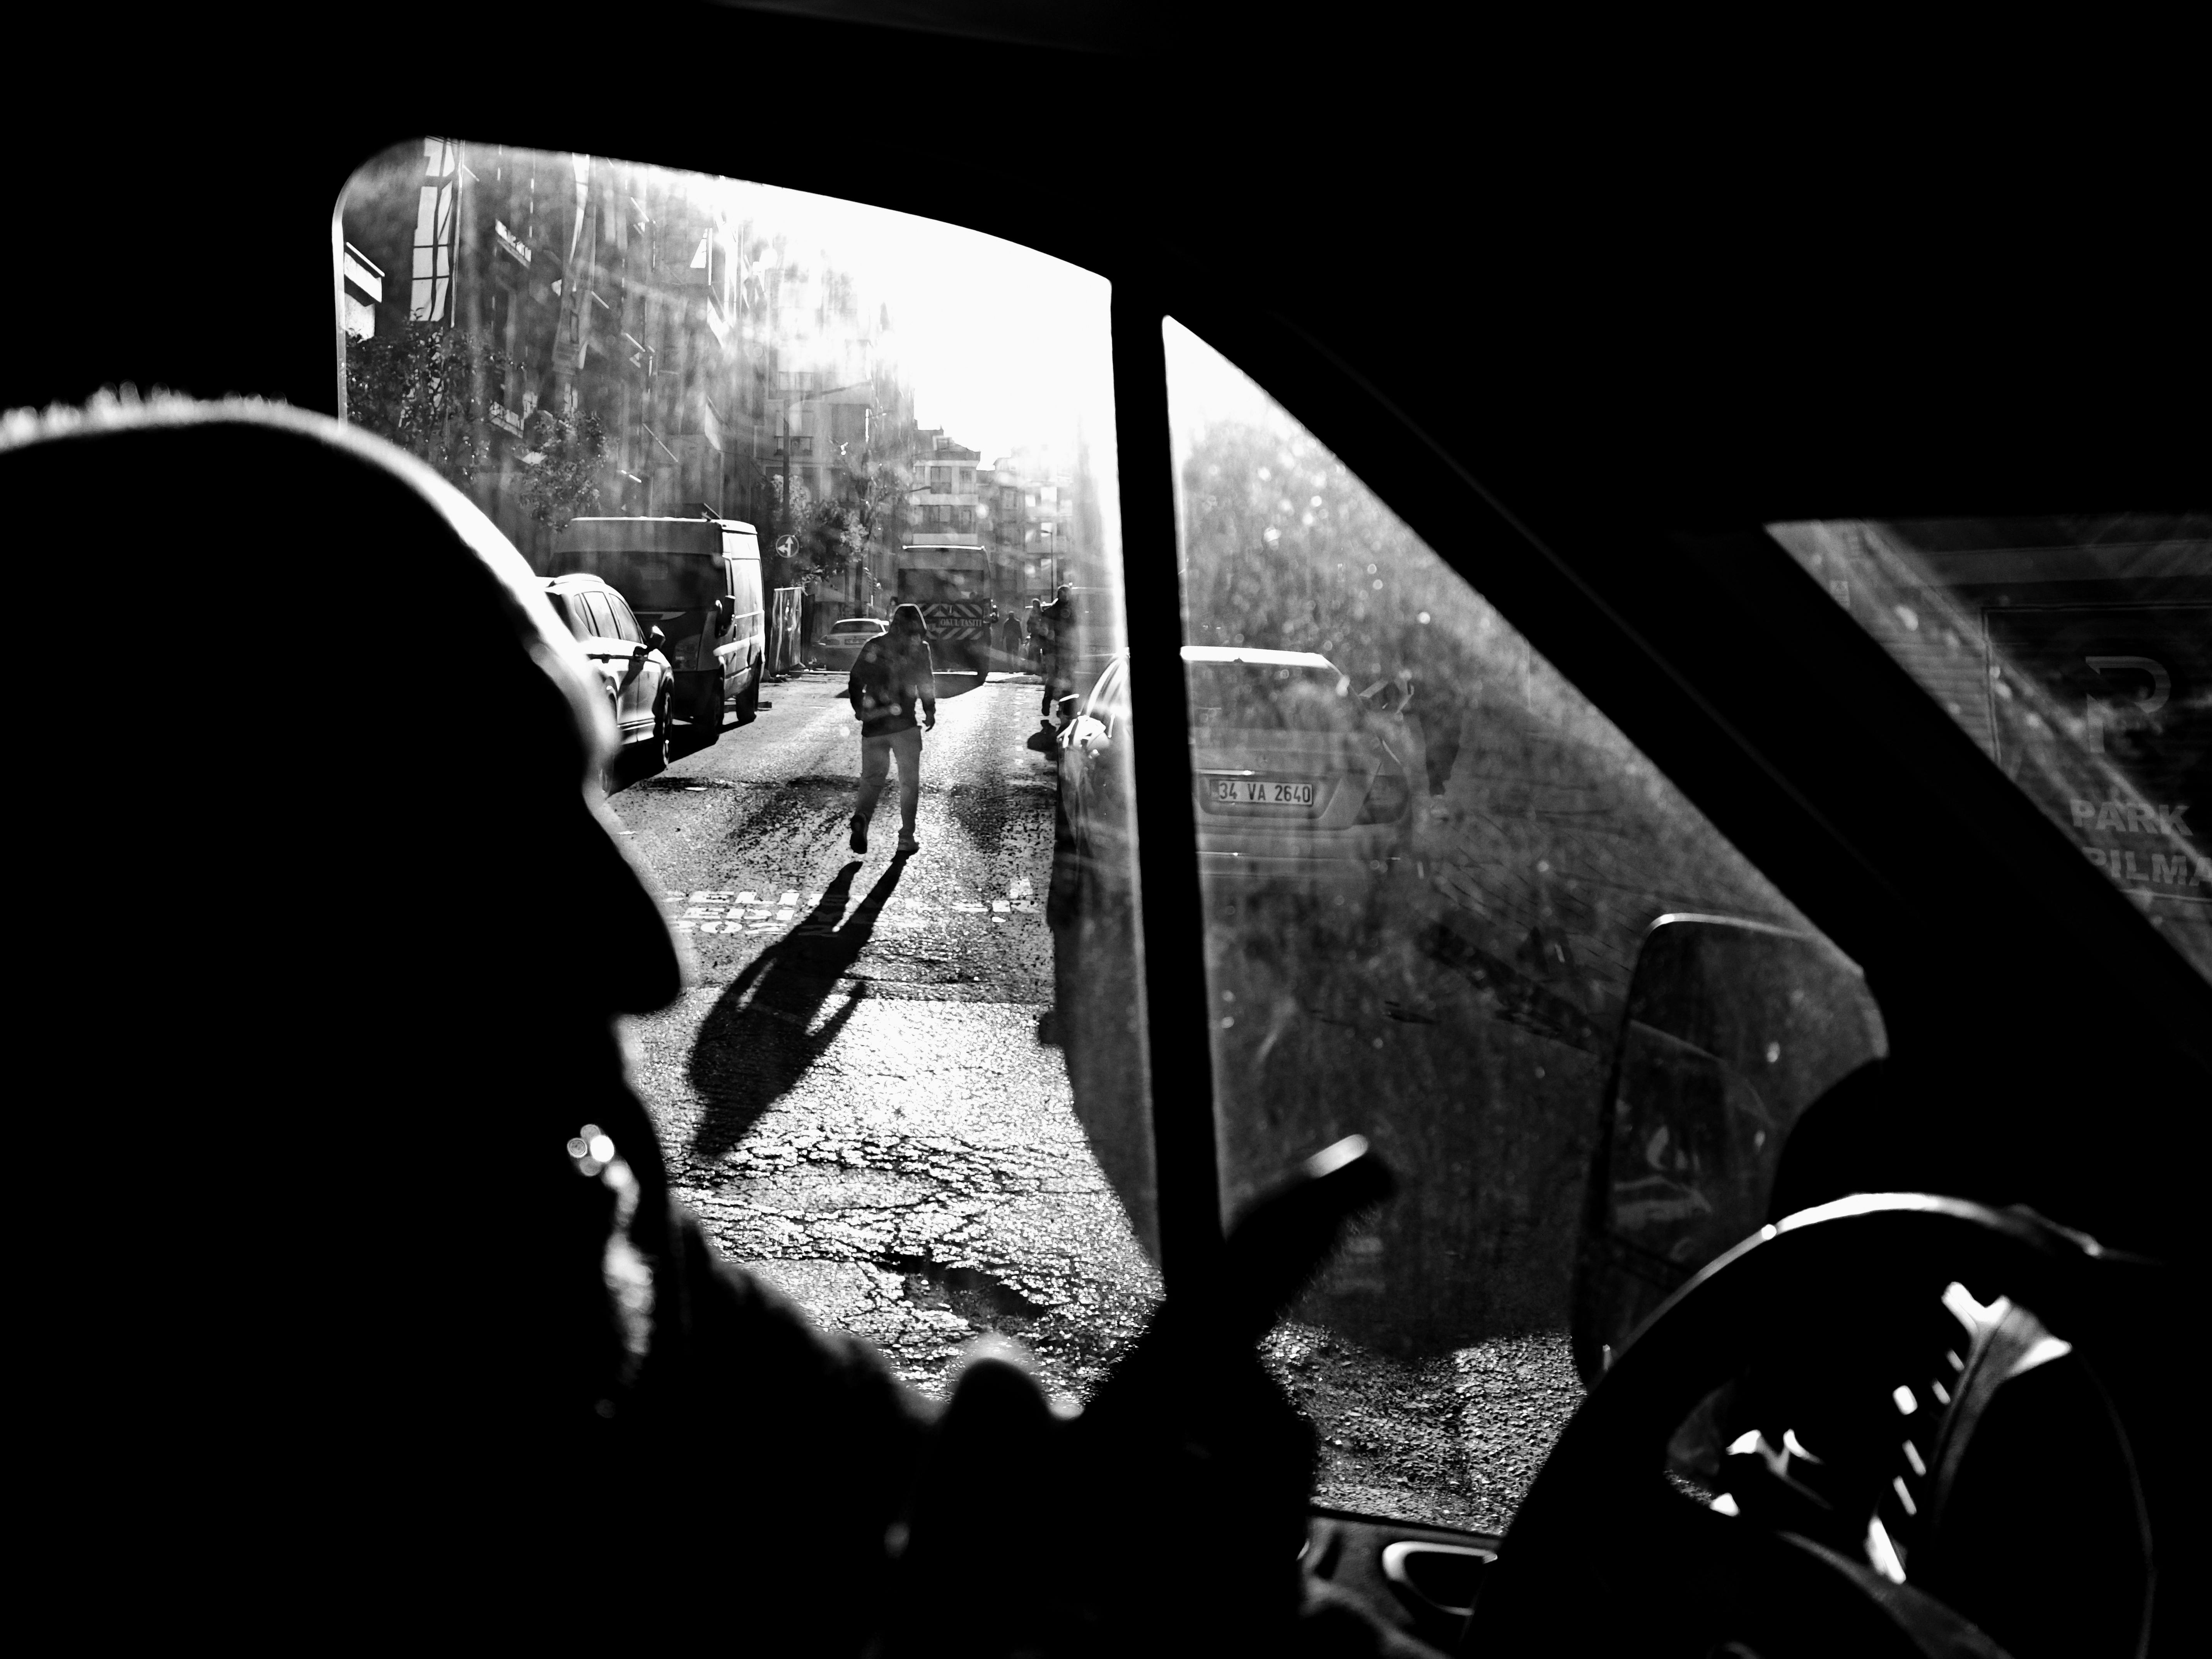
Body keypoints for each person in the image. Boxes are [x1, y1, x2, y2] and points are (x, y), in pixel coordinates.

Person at [12, 396, 1444, 1656]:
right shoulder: (544, 1275)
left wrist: (1094, 1541)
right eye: (464, 831)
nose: (645, 957)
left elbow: (956, 1499)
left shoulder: (613, 1265)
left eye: (583, 802)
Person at [847, 600, 937, 856]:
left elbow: (855, 678)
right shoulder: (920, 649)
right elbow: (926, 683)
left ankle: (862, 818)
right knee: (909, 783)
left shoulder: (875, 645)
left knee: (872, 780)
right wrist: (930, 711)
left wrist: (859, 709)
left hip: (874, 726)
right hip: (905, 726)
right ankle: (906, 838)